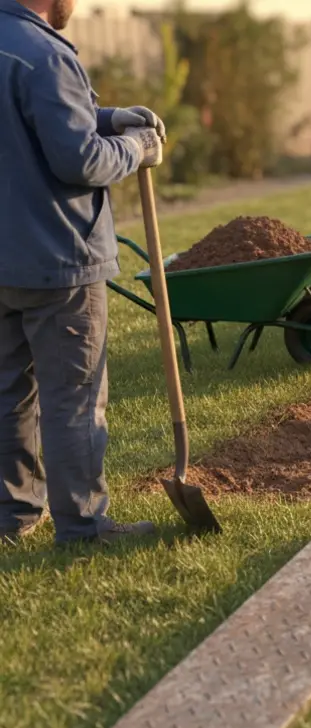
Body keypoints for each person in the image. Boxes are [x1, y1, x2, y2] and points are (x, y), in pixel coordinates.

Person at [1, 0, 166, 546]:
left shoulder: (14, 50)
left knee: (6, 393)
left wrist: (109, 117)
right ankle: (86, 526)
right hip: (58, 258)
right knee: (72, 396)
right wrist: (135, 147)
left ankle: (13, 516)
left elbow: (36, 120)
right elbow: (79, 160)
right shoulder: (44, 53)